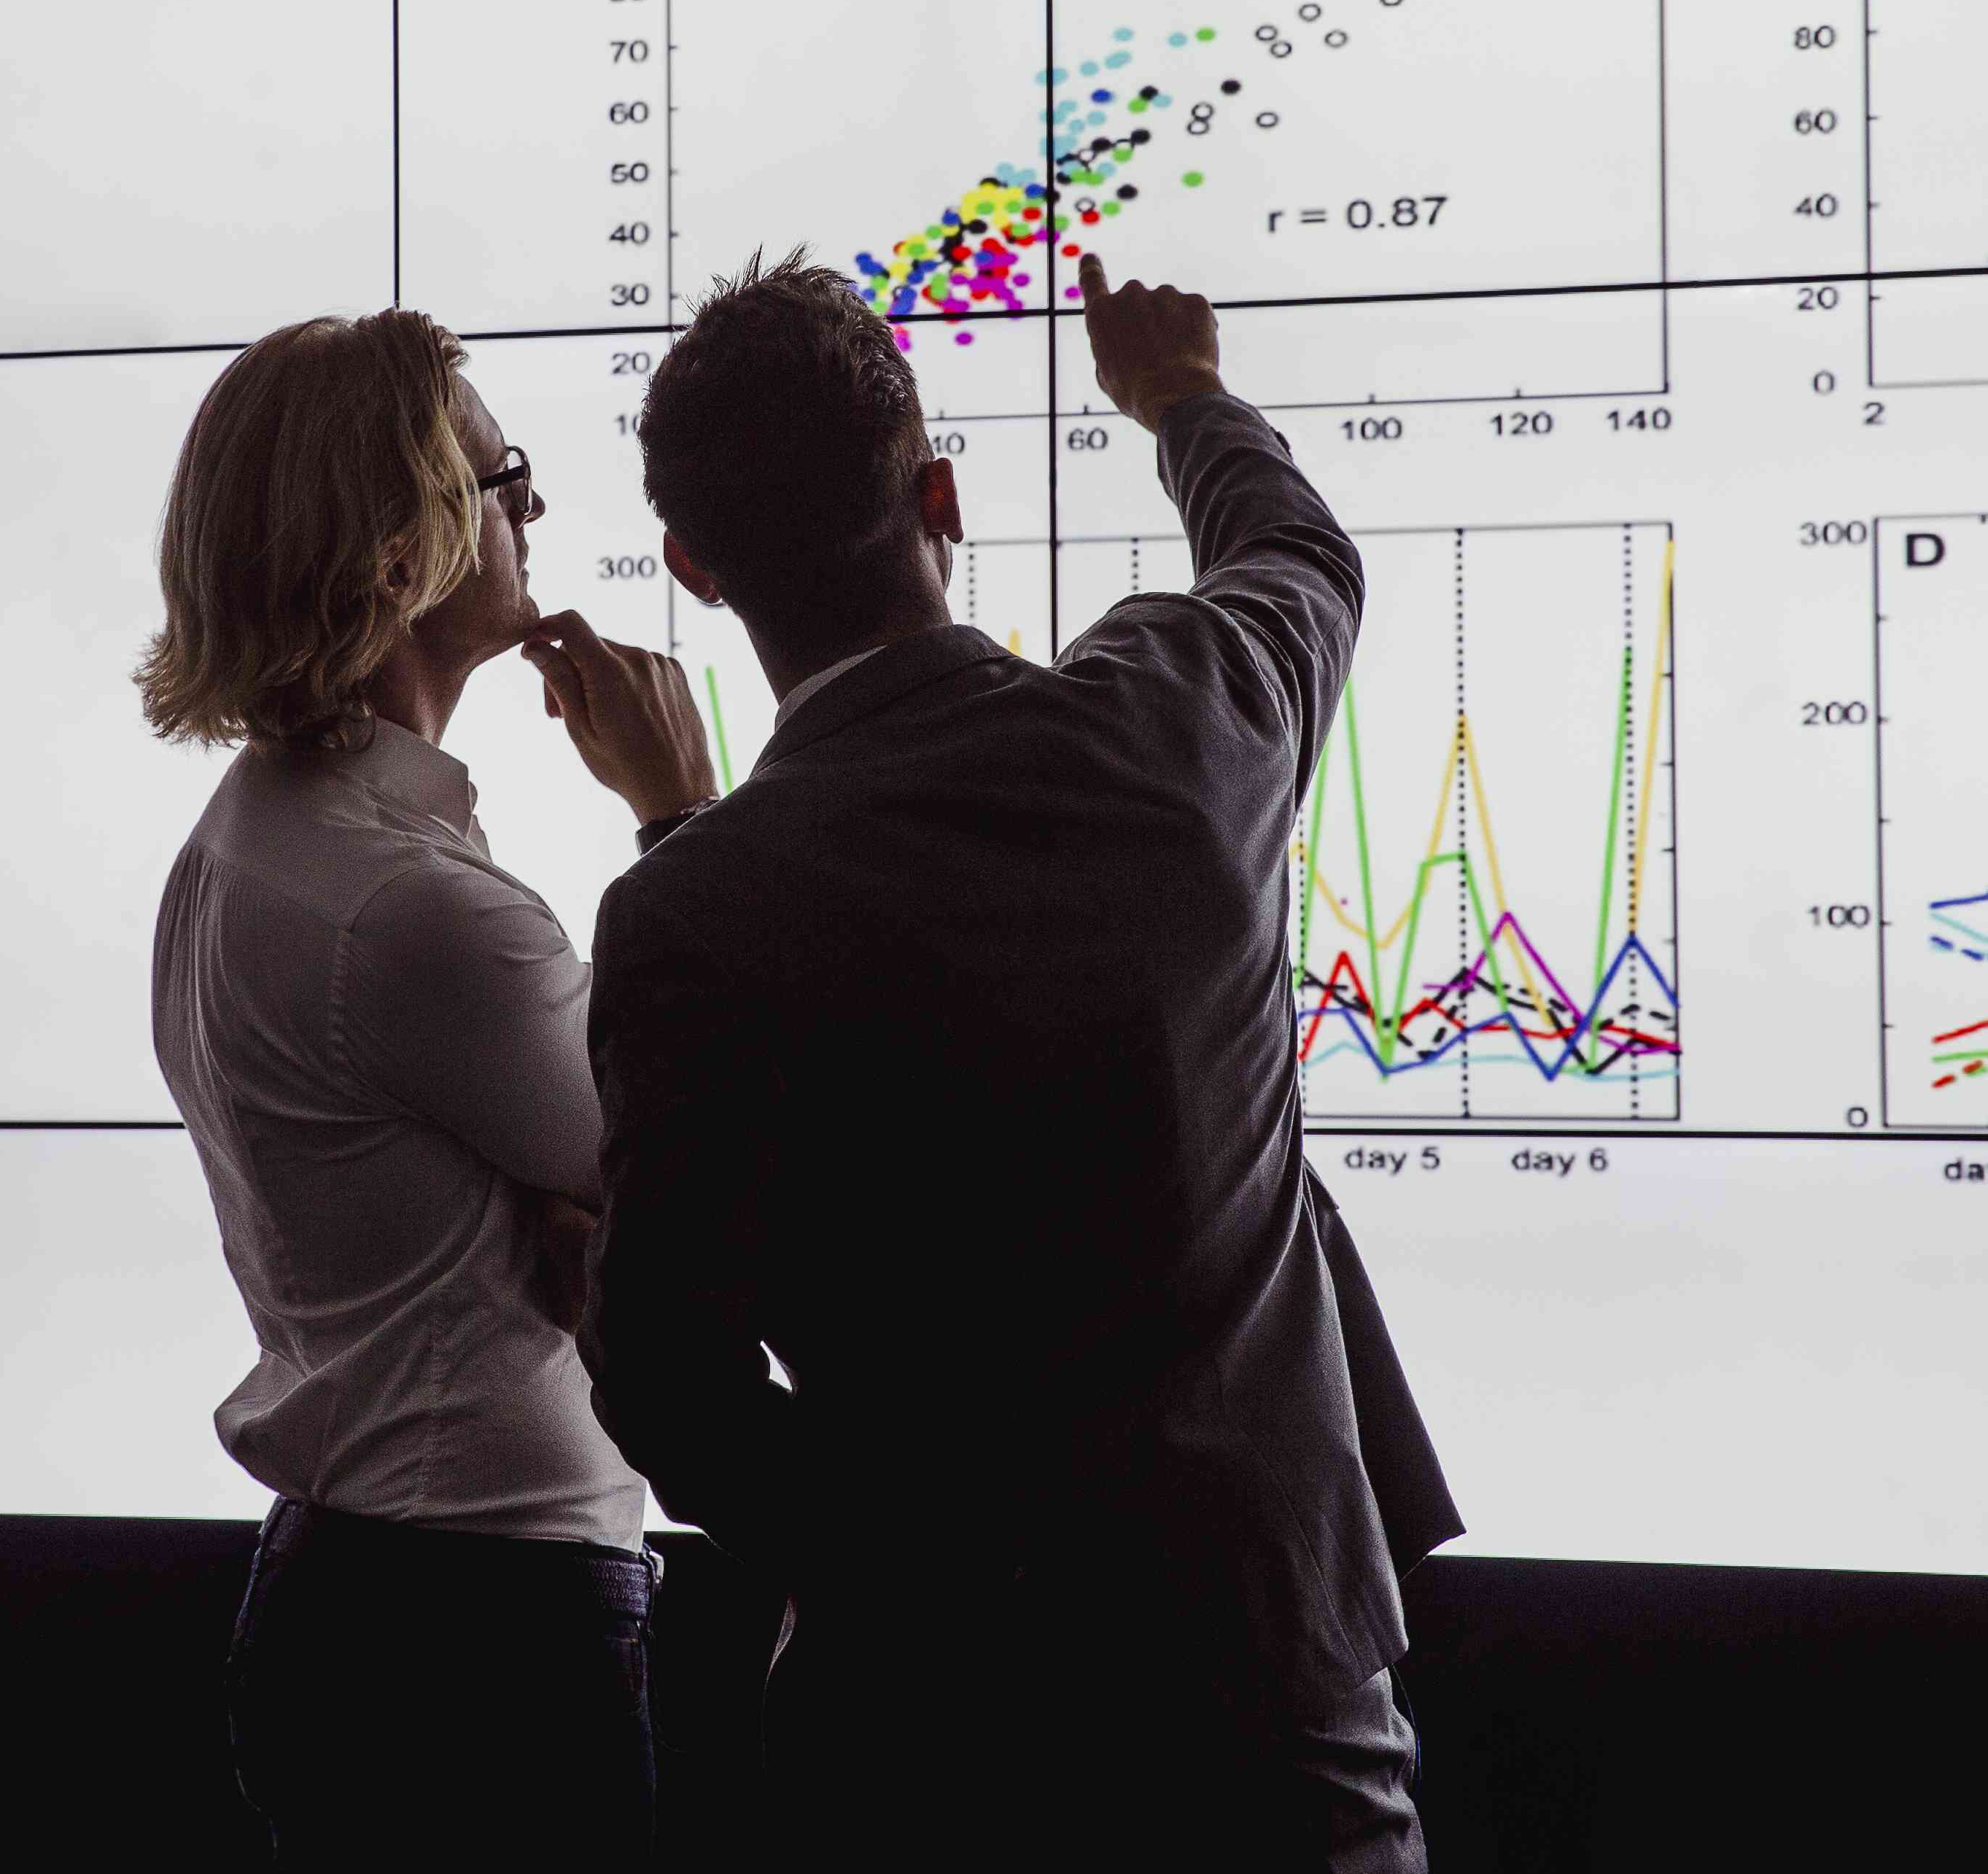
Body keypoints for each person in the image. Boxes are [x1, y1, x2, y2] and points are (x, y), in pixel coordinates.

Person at [578, 252, 1463, 1859]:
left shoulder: (690, 909)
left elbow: (660, 1373)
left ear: (691, 569)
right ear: (939, 495)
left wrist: (902, 1567)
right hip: (1270, 1698)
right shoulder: (1181, 720)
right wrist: (1179, 397)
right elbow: (1297, 555)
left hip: (930, 1732)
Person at [138, 309, 718, 1863]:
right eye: (498, 478)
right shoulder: (409, 911)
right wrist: (684, 818)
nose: (529, 508)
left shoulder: (248, 844)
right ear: (399, 552)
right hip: (481, 1632)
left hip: (372, 1595)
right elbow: (718, 1182)